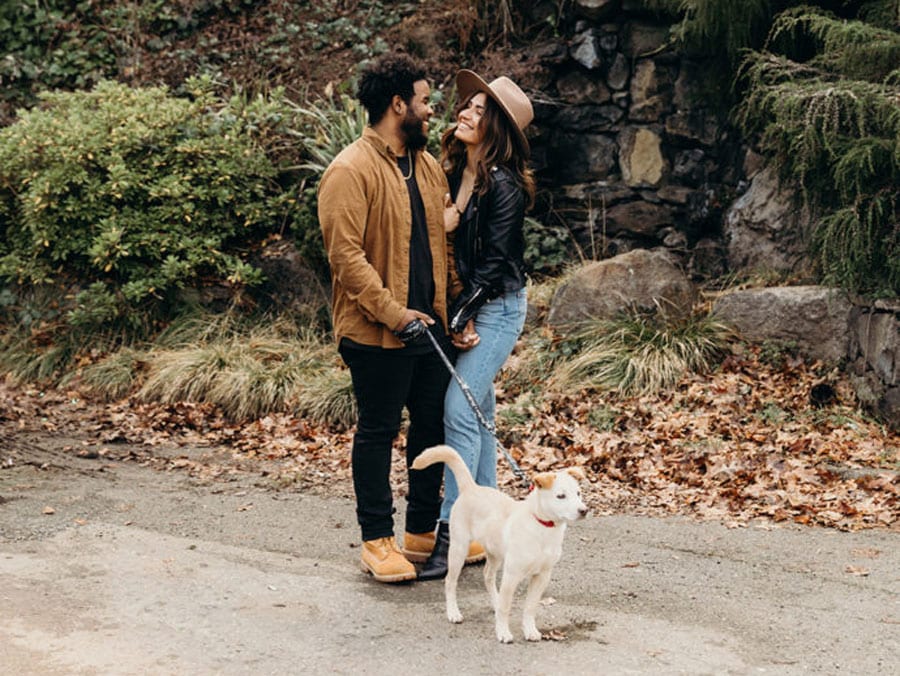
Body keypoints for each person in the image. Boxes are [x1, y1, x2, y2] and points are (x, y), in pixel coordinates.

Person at [317, 53, 456, 583]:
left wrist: (451, 311)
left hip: (431, 328)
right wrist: (397, 316)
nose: (430, 109)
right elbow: (346, 260)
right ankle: (377, 541)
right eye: (423, 100)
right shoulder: (349, 170)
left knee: (431, 427)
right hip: (377, 333)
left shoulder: (423, 163)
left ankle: (421, 534)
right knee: (378, 432)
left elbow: (440, 245)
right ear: (398, 105)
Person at [418, 70, 536, 580]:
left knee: (459, 410)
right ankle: (493, 536)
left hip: (500, 306)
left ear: (497, 131)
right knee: (481, 417)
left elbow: (495, 264)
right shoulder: (454, 172)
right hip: (471, 305)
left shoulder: (504, 185)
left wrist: (462, 318)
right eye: (466, 106)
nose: (464, 113)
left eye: (479, 112)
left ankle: (453, 533)